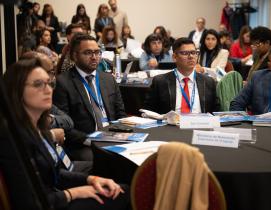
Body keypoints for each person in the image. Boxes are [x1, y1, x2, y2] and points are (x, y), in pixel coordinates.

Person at [3, 58, 131, 210]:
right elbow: (31, 202)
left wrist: (92, 179)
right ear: (16, 90)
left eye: (49, 83)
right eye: (38, 84)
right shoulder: (15, 139)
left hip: (58, 196)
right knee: (125, 193)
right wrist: (73, 193)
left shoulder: (38, 128)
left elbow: (56, 174)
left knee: (121, 187)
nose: (48, 89)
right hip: (55, 203)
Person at [53, 34, 127, 160]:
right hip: (84, 144)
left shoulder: (108, 79)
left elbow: (120, 114)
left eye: (97, 52)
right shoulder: (63, 83)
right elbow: (64, 126)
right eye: (88, 53)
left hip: (112, 138)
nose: (94, 57)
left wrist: (124, 135)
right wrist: (92, 140)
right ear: (74, 56)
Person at [144, 37, 217, 114]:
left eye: (193, 52)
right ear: (174, 57)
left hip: (200, 124)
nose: (191, 56)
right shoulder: (160, 82)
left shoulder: (208, 82)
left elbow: (215, 112)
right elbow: (149, 112)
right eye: (185, 53)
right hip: (170, 125)